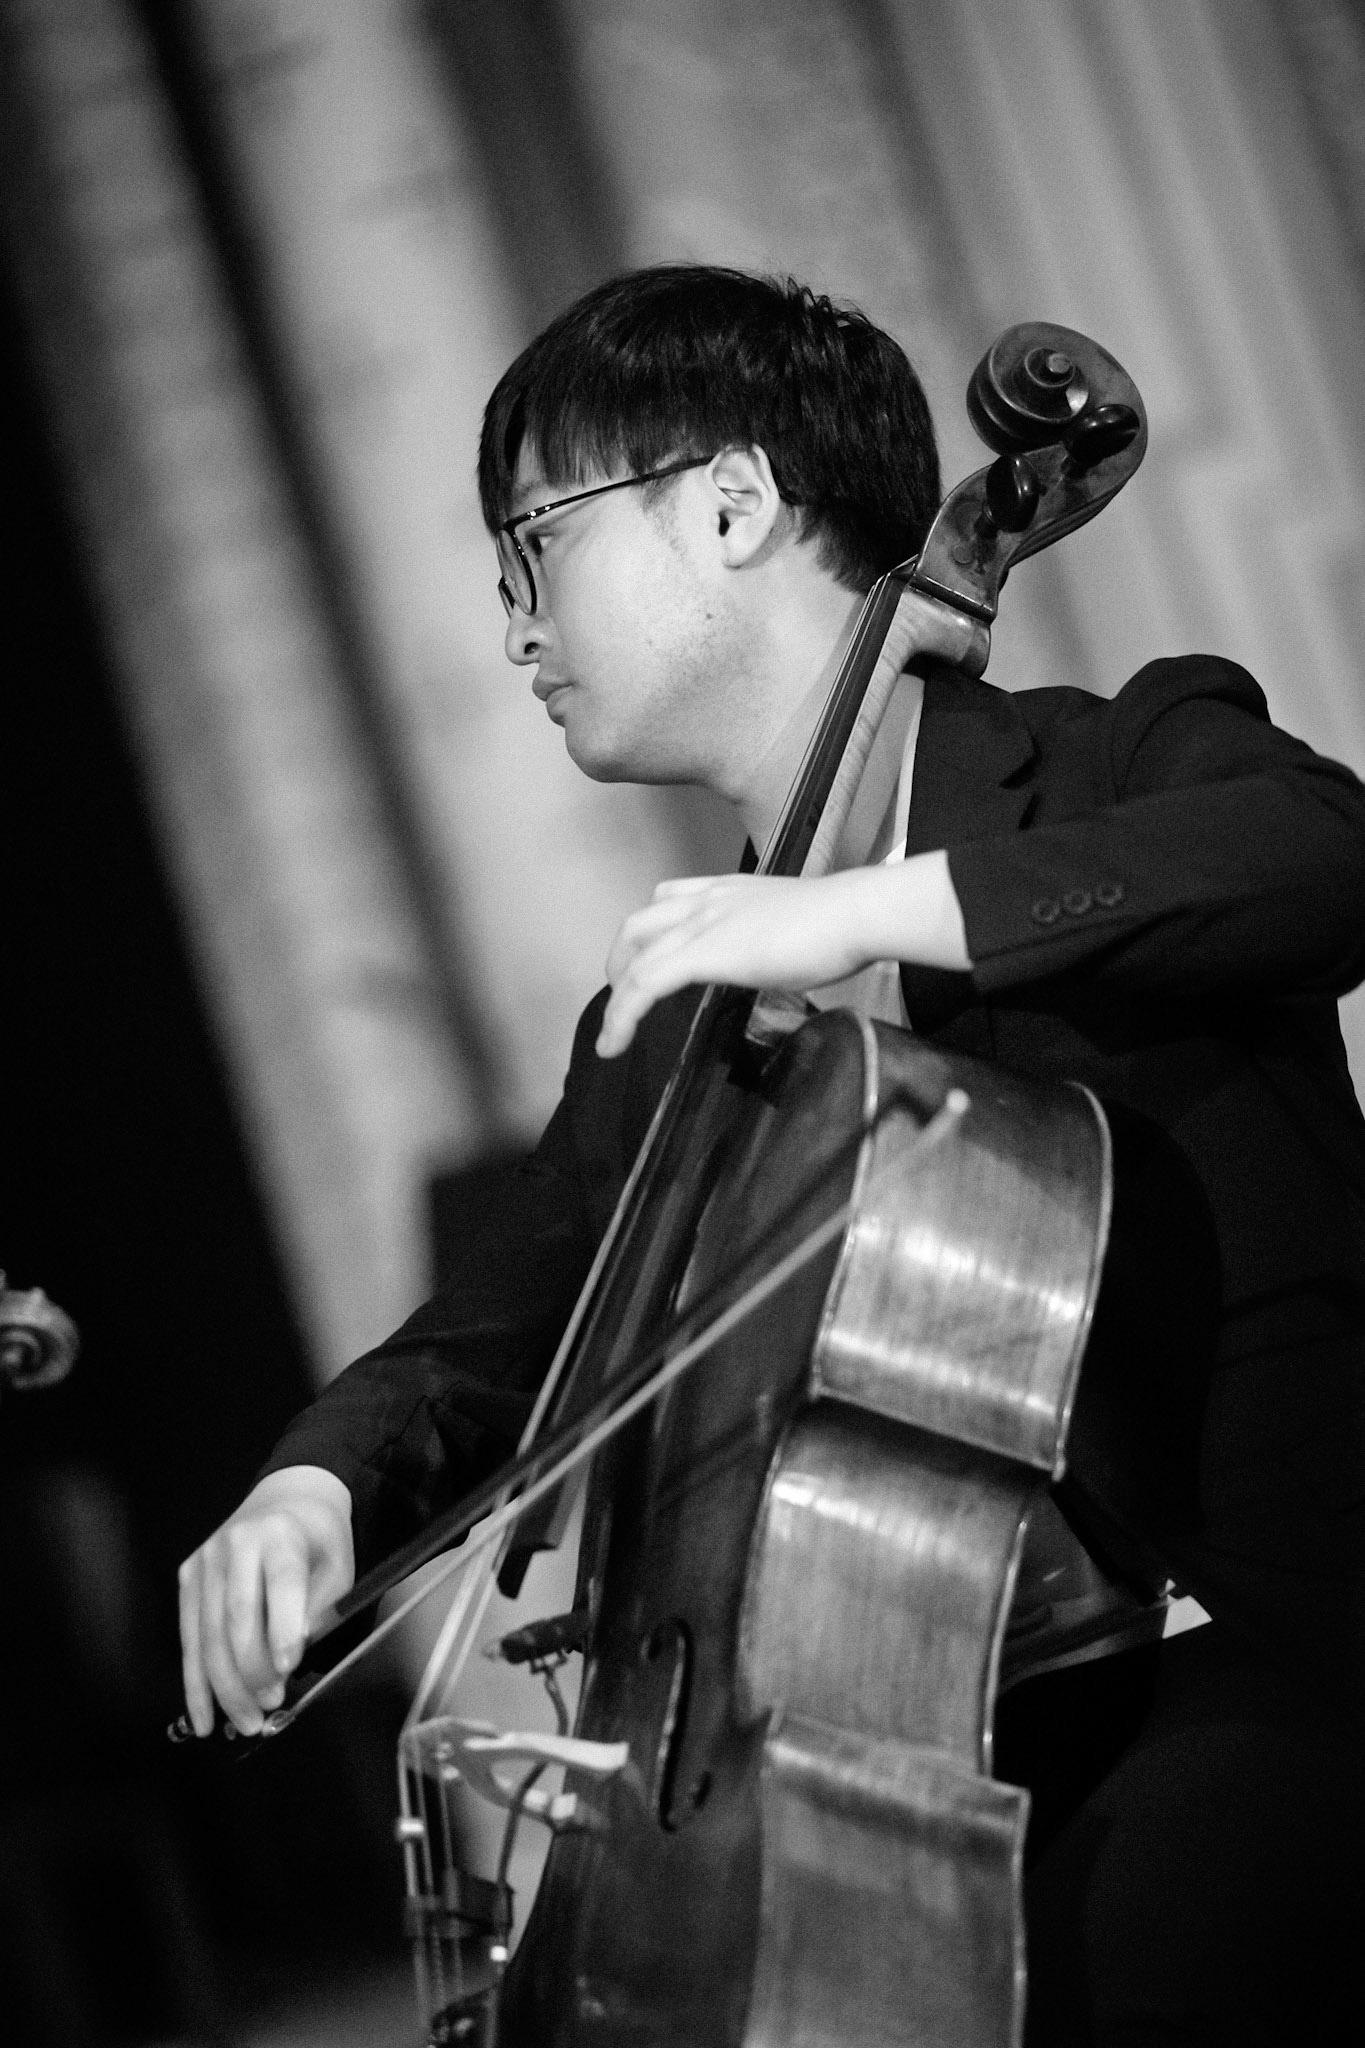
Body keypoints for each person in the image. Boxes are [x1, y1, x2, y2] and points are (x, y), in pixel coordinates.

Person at [177, 266, 1365, 2044]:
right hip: (922, 1763)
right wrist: (313, 1489)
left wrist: (869, 915)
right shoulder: (677, 1019)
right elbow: (493, 1337)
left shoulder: (1121, 762)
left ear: (729, 505)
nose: (510, 625)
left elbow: (1324, 858)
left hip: (1280, 1668)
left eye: (534, 545)